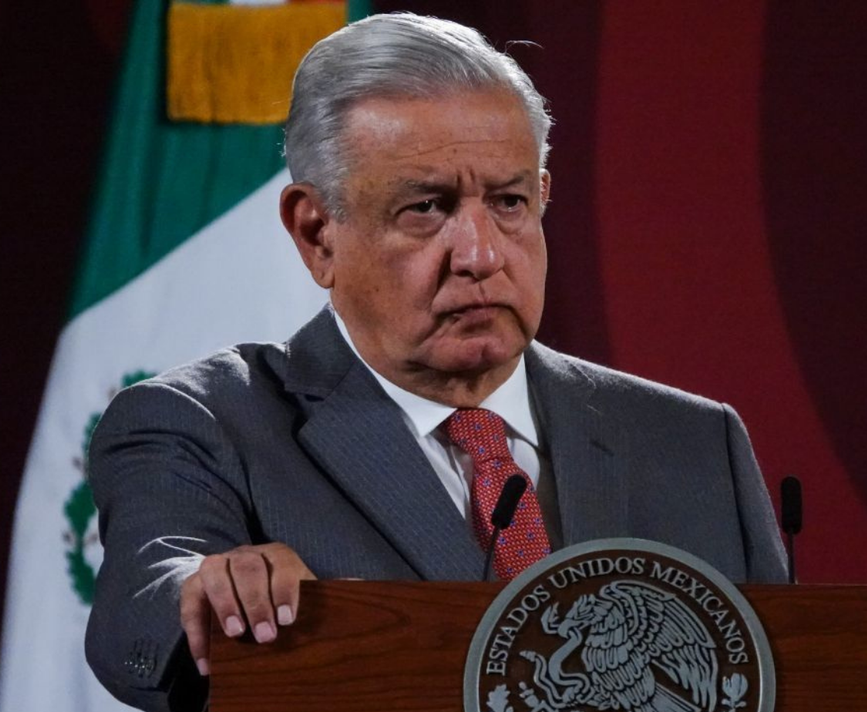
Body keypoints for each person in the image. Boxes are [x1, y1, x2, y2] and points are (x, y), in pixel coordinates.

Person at [85, 12, 787, 712]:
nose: (481, 255)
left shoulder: (693, 441)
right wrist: (207, 589)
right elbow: (146, 597)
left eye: (508, 202)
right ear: (317, 232)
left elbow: (781, 674)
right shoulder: (202, 423)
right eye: (426, 208)